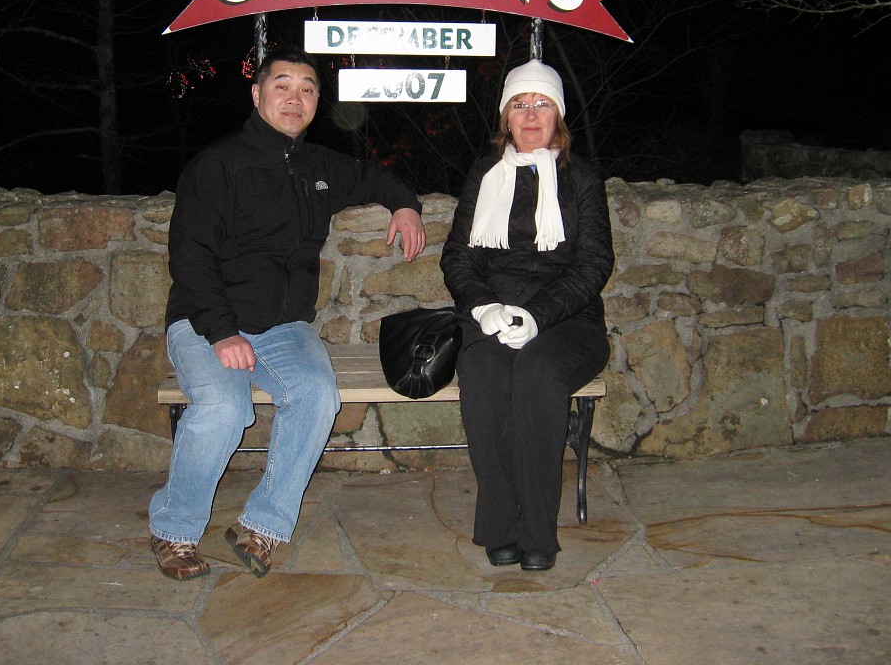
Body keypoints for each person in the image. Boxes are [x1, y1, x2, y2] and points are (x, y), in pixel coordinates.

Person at [149, 46, 426, 580]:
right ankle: (174, 528)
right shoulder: (217, 165)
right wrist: (222, 332)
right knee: (225, 408)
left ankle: (261, 526)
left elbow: (375, 177)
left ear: (317, 102)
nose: (294, 98)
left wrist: (406, 206)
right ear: (257, 95)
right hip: (206, 321)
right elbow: (190, 257)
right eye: (282, 86)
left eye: (306, 88)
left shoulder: (318, 165)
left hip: (281, 328)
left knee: (317, 395)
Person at [440, 58, 613, 572]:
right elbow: (458, 256)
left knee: (538, 374)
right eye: (519, 104)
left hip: (568, 319)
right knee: (483, 371)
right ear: (506, 118)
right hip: (492, 314)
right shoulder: (484, 173)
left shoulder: (581, 177)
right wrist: (485, 307)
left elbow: (594, 262)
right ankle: (499, 524)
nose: (531, 114)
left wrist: (537, 316)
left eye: (541, 103)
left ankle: (537, 531)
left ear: (558, 114)